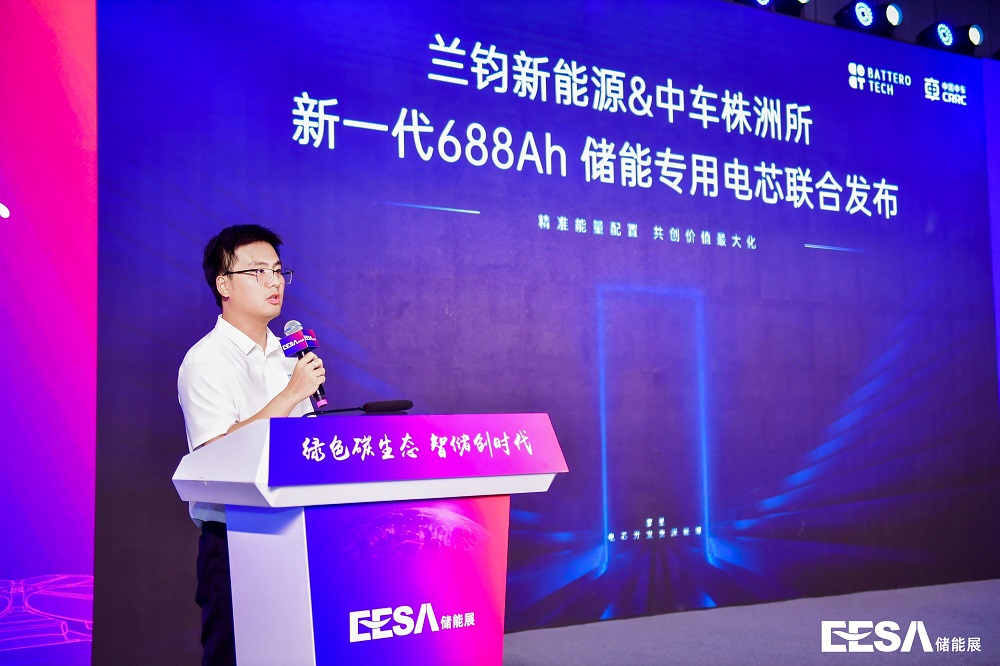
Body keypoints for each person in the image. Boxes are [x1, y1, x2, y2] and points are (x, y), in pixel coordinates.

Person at [177, 224, 325, 665]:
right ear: (224, 284)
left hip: (300, 530)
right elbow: (215, 457)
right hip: (235, 539)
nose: (273, 281)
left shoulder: (290, 355)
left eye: (278, 271)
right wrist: (289, 396)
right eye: (258, 271)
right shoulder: (205, 361)